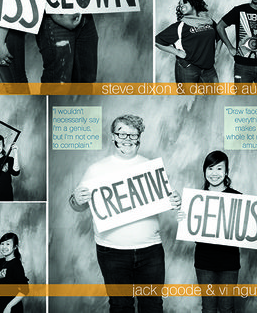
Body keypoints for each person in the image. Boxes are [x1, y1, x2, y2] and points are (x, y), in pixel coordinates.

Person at [70, 115, 182, 313]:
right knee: (121, 306)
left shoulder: (151, 167)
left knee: (152, 306)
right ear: (113, 137)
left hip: (151, 251)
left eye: (133, 134)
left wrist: (175, 200)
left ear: (139, 138)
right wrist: (77, 200)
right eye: (122, 133)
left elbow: (168, 198)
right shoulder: (96, 169)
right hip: (112, 252)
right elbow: (77, 205)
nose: (127, 139)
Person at [193, 151, 242, 313]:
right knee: (208, 308)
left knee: (227, 308)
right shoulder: (197, 198)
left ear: (226, 172)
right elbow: (194, 233)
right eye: (210, 168)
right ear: (205, 171)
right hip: (204, 261)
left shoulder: (238, 198)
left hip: (229, 261)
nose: (214, 173)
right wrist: (184, 219)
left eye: (219, 169)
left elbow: (243, 230)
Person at [155, 0, 220, 82]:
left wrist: (217, 52)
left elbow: (220, 35)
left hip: (209, 69)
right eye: (180, 4)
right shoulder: (180, 26)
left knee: (213, 95)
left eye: (185, 2)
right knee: (186, 96)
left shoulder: (208, 21)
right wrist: (177, 52)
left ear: (193, 3)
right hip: (188, 68)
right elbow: (157, 41)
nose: (182, 6)